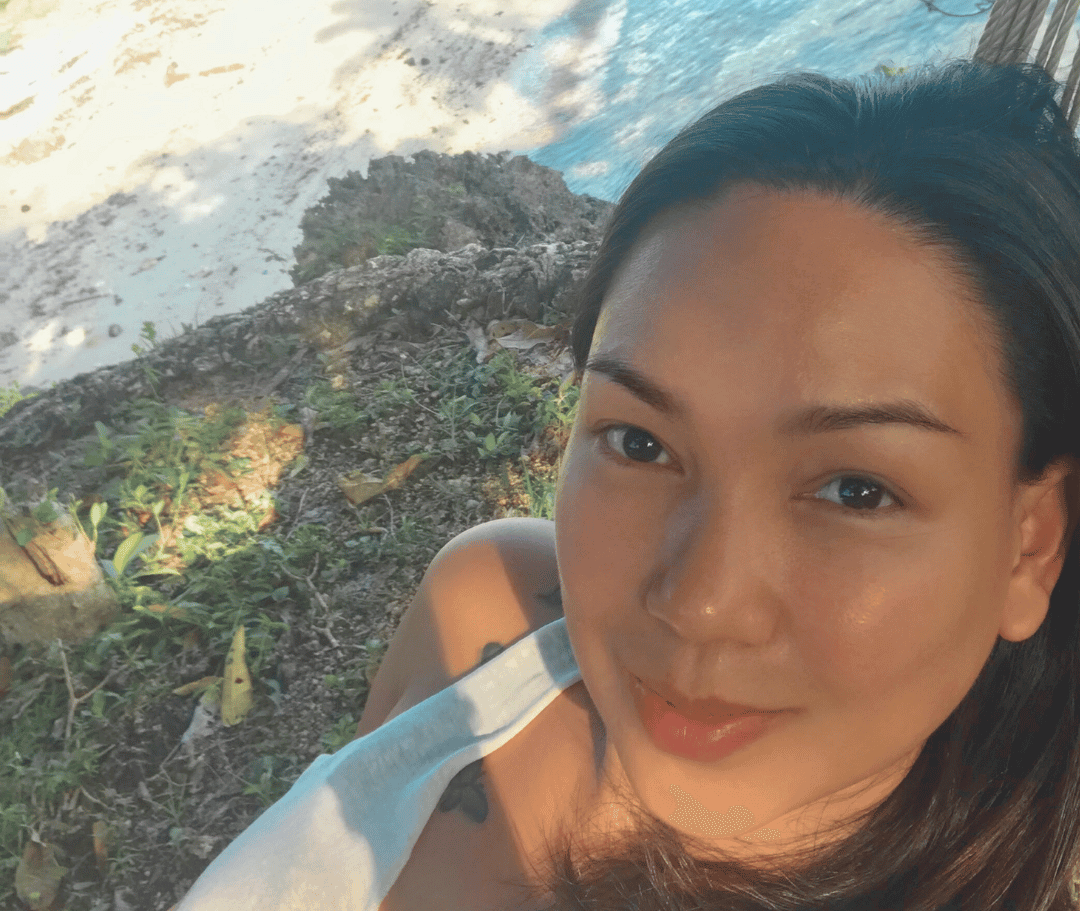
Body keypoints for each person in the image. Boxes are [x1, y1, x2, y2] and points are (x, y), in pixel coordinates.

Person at [178, 57, 1080, 910]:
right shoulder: (482, 607)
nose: (699, 603)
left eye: (857, 490)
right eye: (640, 442)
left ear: (1030, 545)